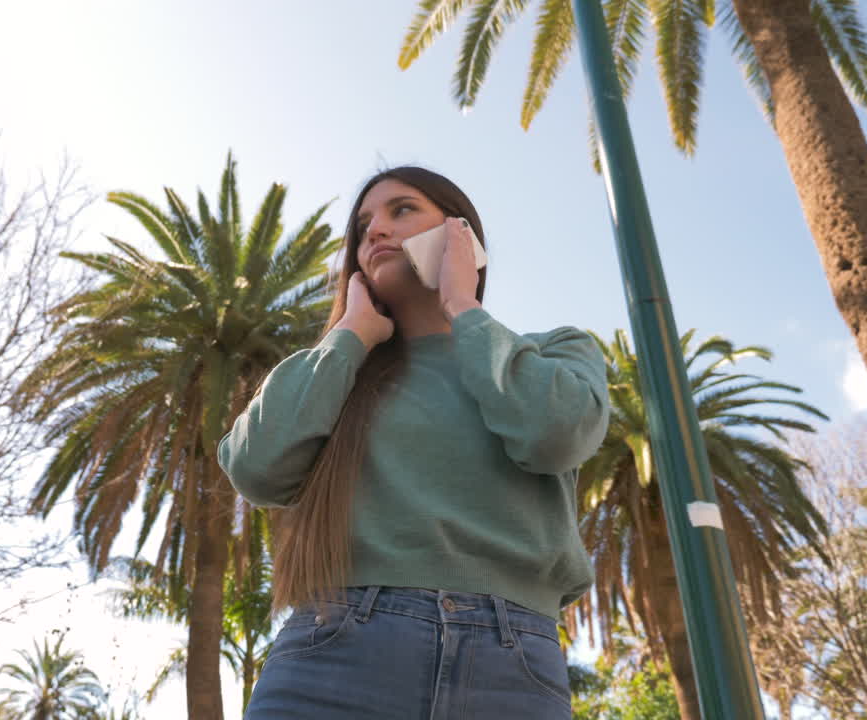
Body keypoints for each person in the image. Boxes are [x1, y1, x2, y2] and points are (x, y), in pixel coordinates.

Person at [217, 166, 610, 719]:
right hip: (334, 654)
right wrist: (349, 337)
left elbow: (555, 435)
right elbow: (255, 469)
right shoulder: (332, 372)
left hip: (511, 662)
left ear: (460, 233)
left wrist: (463, 307)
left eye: (401, 210)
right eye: (362, 226)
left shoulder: (554, 352)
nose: (375, 231)